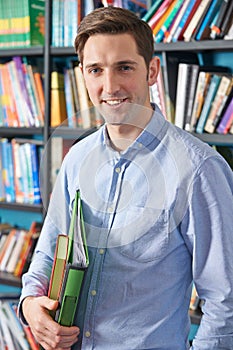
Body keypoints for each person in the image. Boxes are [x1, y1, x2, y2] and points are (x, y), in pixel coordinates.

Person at [19, 6, 233, 350]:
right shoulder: (76, 158)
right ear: (83, 75)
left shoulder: (199, 169)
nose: (110, 85)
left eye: (124, 67)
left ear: (151, 71)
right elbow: (49, 252)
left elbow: (226, 302)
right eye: (95, 70)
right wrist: (31, 305)